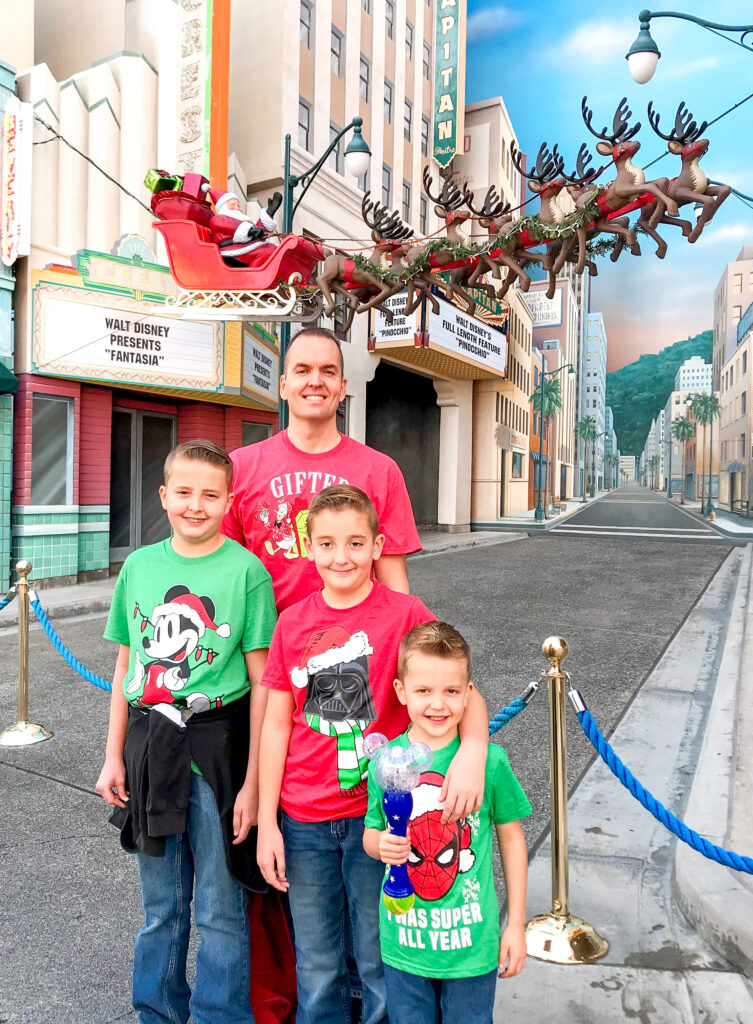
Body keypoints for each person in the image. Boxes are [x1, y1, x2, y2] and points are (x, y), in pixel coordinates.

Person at [256, 485, 489, 1024]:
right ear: (307, 546)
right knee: (316, 963)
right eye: (329, 543)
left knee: (380, 956)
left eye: (357, 543)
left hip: (384, 821)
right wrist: (268, 822)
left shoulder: (405, 613)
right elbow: (274, 726)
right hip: (304, 818)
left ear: (379, 545)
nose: (343, 557)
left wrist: (473, 748)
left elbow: (464, 689)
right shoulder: (291, 623)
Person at [95, 440, 277, 1024]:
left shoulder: (247, 571)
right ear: (164, 495)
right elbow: (126, 668)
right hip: (150, 747)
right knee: (162, 905)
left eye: (211, 494)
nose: (196, 505)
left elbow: (262, 684)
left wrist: (252, 785)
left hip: (218, 749)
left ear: (229, 500)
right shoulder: (140, 567)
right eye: (185, 492)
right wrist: (112, 757)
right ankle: (157, 1011)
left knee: (221, 909)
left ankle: (219, 1015)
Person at [363, 621, 531, 1024]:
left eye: (451, 691)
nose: (438, 704)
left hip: (472, 947)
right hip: (404, 943)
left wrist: (516, 926)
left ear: (468, 694)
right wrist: (380, 844)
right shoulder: (386, 764)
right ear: (401, 692)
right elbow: (371, 830)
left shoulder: (490, 763)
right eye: (424, 691)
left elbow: (511, 840)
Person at [222, 326, 421, 613]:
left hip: (353, 645)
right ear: (283, 385)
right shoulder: (240, 466)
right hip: (264, 644)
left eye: (328, 371)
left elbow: (394, 585)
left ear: (342, 388)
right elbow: (225, 572)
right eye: (302, 370)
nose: (315, 381)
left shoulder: (381, 471)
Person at [206, 186, 282, 266]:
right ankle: (256, 273)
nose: (237, 208)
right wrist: (249, 231)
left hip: (244, 246)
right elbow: (231, 227)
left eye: (238, 206)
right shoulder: (217, 219)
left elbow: (257, 229)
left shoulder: (242, 220)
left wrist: (269, 213)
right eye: (233, 205)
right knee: (269, 251)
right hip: (231, 250)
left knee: (274, 249)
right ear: (223, 207)